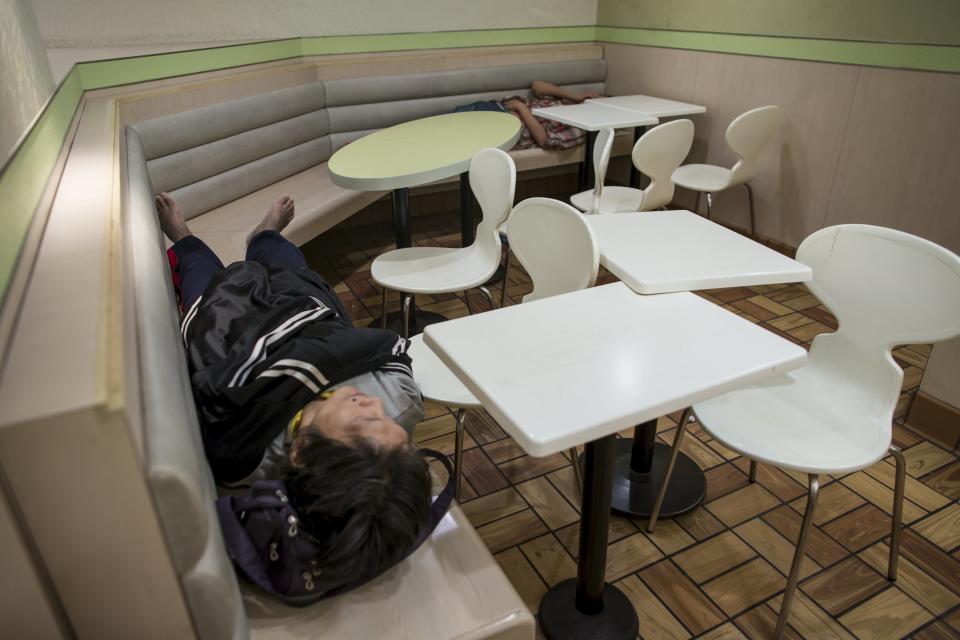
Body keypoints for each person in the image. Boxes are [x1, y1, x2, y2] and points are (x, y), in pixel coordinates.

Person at [155, 191, 431, 589]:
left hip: (229, 334)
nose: (374, 404)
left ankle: (182, 235)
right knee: (287, 262)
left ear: (301, 451)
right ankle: (263, 236)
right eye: (395, 431)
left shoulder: (244, 455)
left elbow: (215, 391)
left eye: (362, 421)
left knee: (206, 275)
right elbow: (389, 348)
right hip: (304, 311)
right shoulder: (400, 400)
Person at [455, 80, 601, 150]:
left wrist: (522, 109)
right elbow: (537, 85)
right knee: (452, 119)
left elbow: (545, 141)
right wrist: (575, 96)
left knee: (455, 137)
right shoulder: (567, 103)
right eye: (595, 96)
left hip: (511, 130)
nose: (593, 97)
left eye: (598, 100)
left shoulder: (581, 129)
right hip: (497, 108)